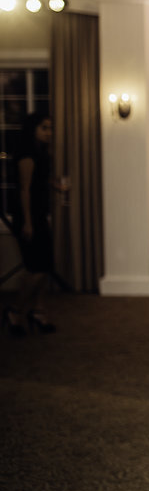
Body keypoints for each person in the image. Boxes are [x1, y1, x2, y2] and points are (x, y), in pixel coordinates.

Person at [4, 112, 62, 336]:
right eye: (44, 128)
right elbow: (24, 189)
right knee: (35, 269)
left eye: (50, 128)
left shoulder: (40, 153)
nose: (49, 132)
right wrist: (27, 222)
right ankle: (15, 312)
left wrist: (55, 185)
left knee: (45, 266)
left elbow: (40, 178)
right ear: (33, 129)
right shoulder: (26, 154)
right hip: (28, 217)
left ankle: (38, 310)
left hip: (39, 215)